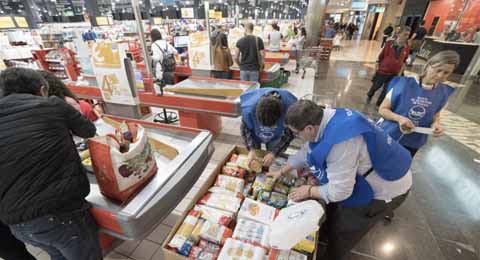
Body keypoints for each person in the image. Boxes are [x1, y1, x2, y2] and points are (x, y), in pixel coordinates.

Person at [268, 100, 412, 260]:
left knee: (345, 230)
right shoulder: (326, 117)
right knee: (335, 213)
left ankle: (331, 255)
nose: (297, 137)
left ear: (309, 128)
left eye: (296, 133)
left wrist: (308, 190)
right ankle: (326, 233)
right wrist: (281, 171)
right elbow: (307, 150)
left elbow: (340, 192)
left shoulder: (340, 144)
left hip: (384, 189)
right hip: (369, 172)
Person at [0, 68, 101, 260]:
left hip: (17, 225)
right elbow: (88, 130)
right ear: (42, 90)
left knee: (58, 256)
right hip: (60, 217)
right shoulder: (53, 105)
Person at [378, 50, 460, 157]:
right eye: (438, 70)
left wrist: (436, 124)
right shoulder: (403, 83)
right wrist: (400, 119)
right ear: (428, 66)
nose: (440, 75)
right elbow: (382, 110)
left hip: (413, 142)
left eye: (446, 73)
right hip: (389, 135)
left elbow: (435, 114)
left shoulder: (443, 92)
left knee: (398, 168)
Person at [240, 88, 298, 167]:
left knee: (272, 158)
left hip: (276, 136)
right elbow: (245, 128)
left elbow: (290, 134)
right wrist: (251, 149)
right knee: (254, 155)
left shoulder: (291, 110)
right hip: (255, 134)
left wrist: (274, 153)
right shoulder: (249, 109)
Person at [366, 26, 411, 107]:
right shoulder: (389, 44)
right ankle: (370, 93)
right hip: (383, 71)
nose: (407, 37)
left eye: (408, 35)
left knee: (386, 90)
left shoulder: (407, 48)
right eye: (405, 34)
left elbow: (404, 61)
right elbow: (381, 56)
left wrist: (399, 74)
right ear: (399, 34)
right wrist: (376, 68)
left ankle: (379, 104)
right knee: (376, 86)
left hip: (394, 74)